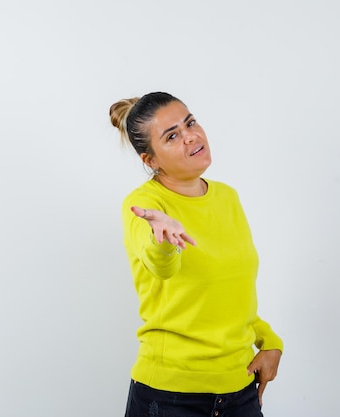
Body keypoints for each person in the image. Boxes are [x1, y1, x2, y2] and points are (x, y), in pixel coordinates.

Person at [109, 92, 284, 417]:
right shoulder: (142, 205)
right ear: (151, 160)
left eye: (190, 122)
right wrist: (164, 238)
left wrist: (270, 341)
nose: (191, 135)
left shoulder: (227, 198)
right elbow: (159, 265)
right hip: (170, 397)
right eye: (172, 135)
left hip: (239, 390)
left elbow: (231, 294)